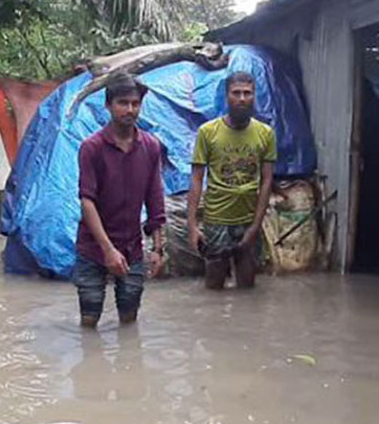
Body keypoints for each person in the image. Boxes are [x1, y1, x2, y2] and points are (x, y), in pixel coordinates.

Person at [75, 74, 166, 328]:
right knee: (89, 321)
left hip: (132, 248)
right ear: (108, 105)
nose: (130, 110)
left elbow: (155, 198)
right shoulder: (91, 148)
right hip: (93, 247)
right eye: (123, 103)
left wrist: (158, 248)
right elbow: (86, 200)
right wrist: (107, 250)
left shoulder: (150, 146)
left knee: (129, 322)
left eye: (135, 104)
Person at [187, 71, 276, 290]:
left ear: (254, 96)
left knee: (247, 283)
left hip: (248, 218)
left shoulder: (266, 134)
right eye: (236, 93)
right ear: (227, 96)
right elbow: (197, 180)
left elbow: (266, 182)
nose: (242, 99)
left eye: (248, 93)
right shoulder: (207, 132)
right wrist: (192, 226)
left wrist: (255, 226)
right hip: (216, 218)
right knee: (214, 283)